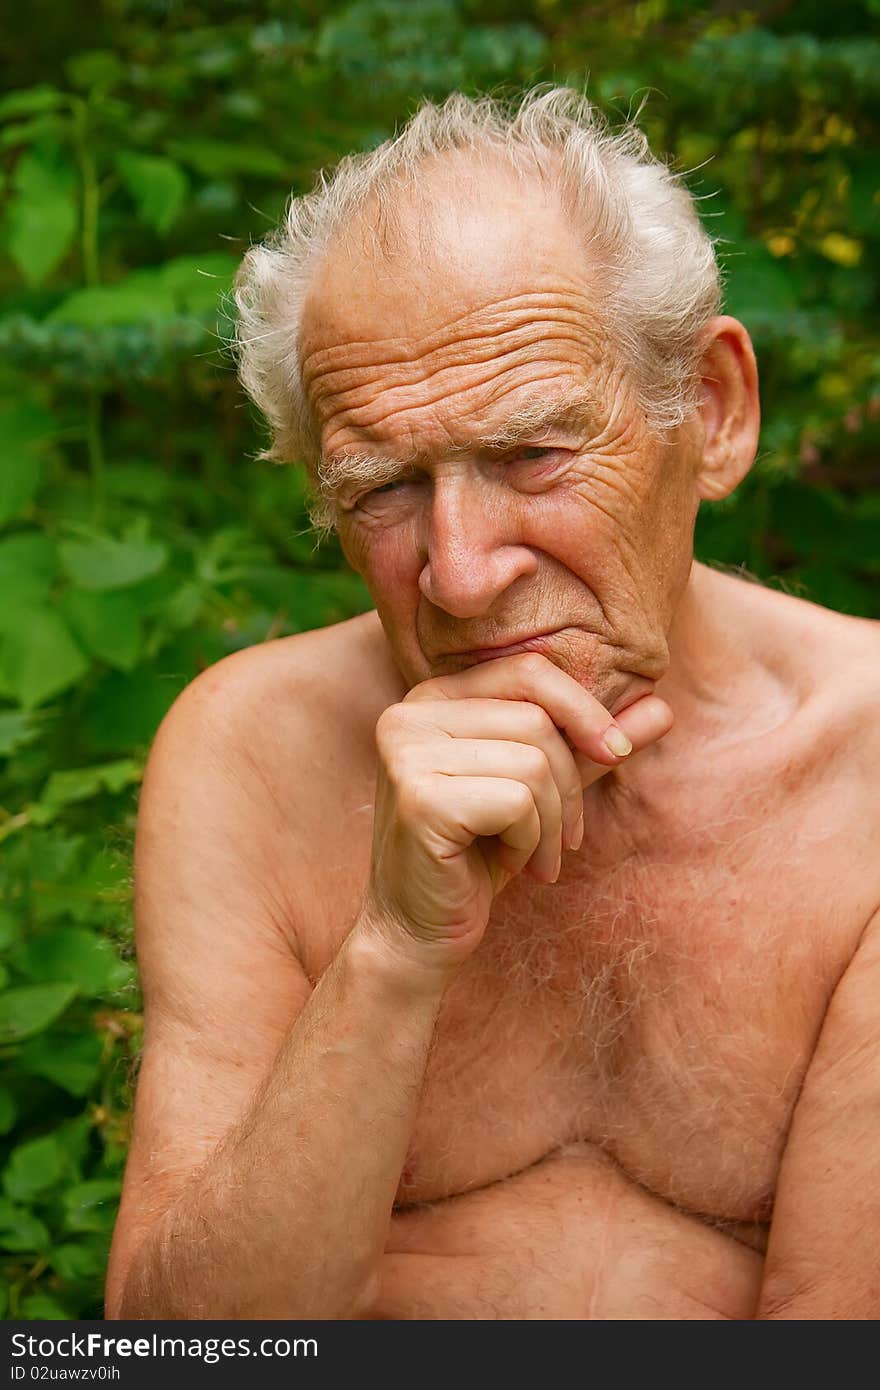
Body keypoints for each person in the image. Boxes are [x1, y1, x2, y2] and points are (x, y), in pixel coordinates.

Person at [105, 88, 880, 1320]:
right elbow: (187, 1346)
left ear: (714, 413)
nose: (460, 573)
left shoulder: (869, 765)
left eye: (531, 454)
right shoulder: (249, 753)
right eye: (385, 489)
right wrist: (393, 948)